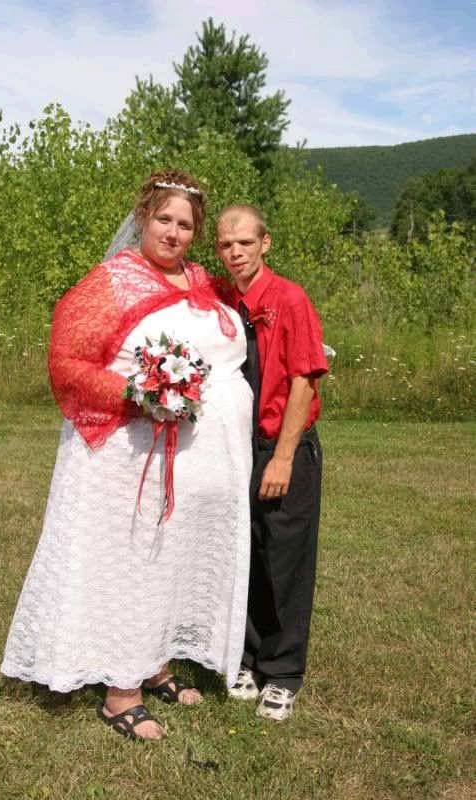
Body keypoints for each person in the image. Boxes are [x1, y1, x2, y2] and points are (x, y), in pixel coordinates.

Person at [1, 170, 253, 741]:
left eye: (185, 224)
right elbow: (66, 361)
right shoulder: (112, 282)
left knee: (167, 560)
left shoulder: (201, 281)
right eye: (164, 218)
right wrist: (141, 395)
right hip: (123, 456)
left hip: (182, 461)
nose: (173, 232)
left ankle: (154, 663)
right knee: (134, 564)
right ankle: (120, 693)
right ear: (143, 217)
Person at [215, 204, 328, 722]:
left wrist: (282, 458)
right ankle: (246, 657)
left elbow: (305, 379)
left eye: (244, 242)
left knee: (285, 559)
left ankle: (282, 674)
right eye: (225, 245)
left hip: (282, 444)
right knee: (246, 553)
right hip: (235, 447)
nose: (235, 252)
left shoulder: (289, 299)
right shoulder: (223, 300)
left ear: (266, 243)